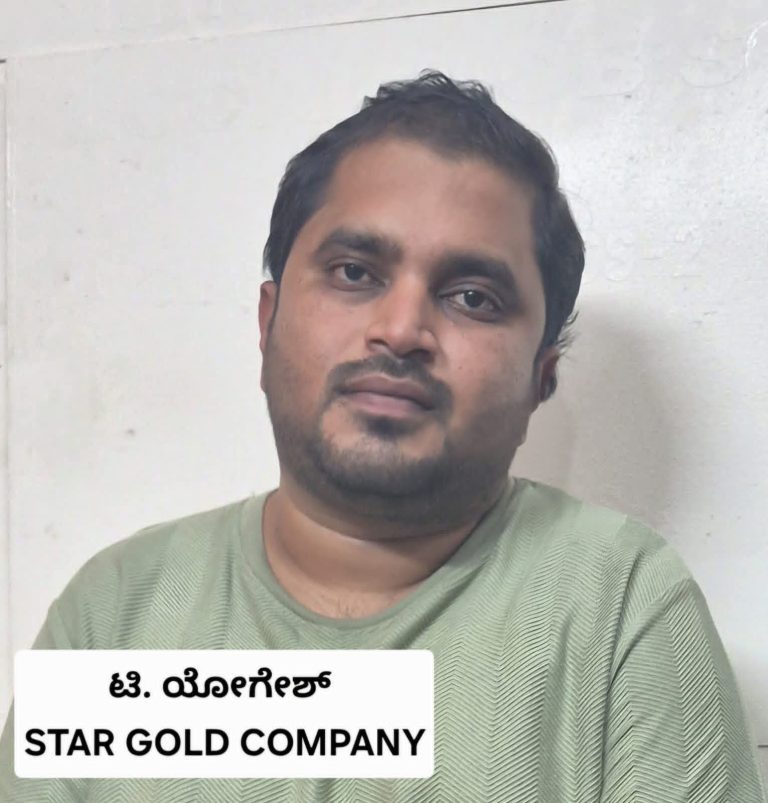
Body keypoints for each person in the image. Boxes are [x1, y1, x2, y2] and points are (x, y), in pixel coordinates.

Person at [1, 69, 765, 801]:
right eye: (354, 272)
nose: (401, 330)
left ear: (541, 375)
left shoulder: (622, 605)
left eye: (473, 296)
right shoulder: (119, 612)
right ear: (268, 322)